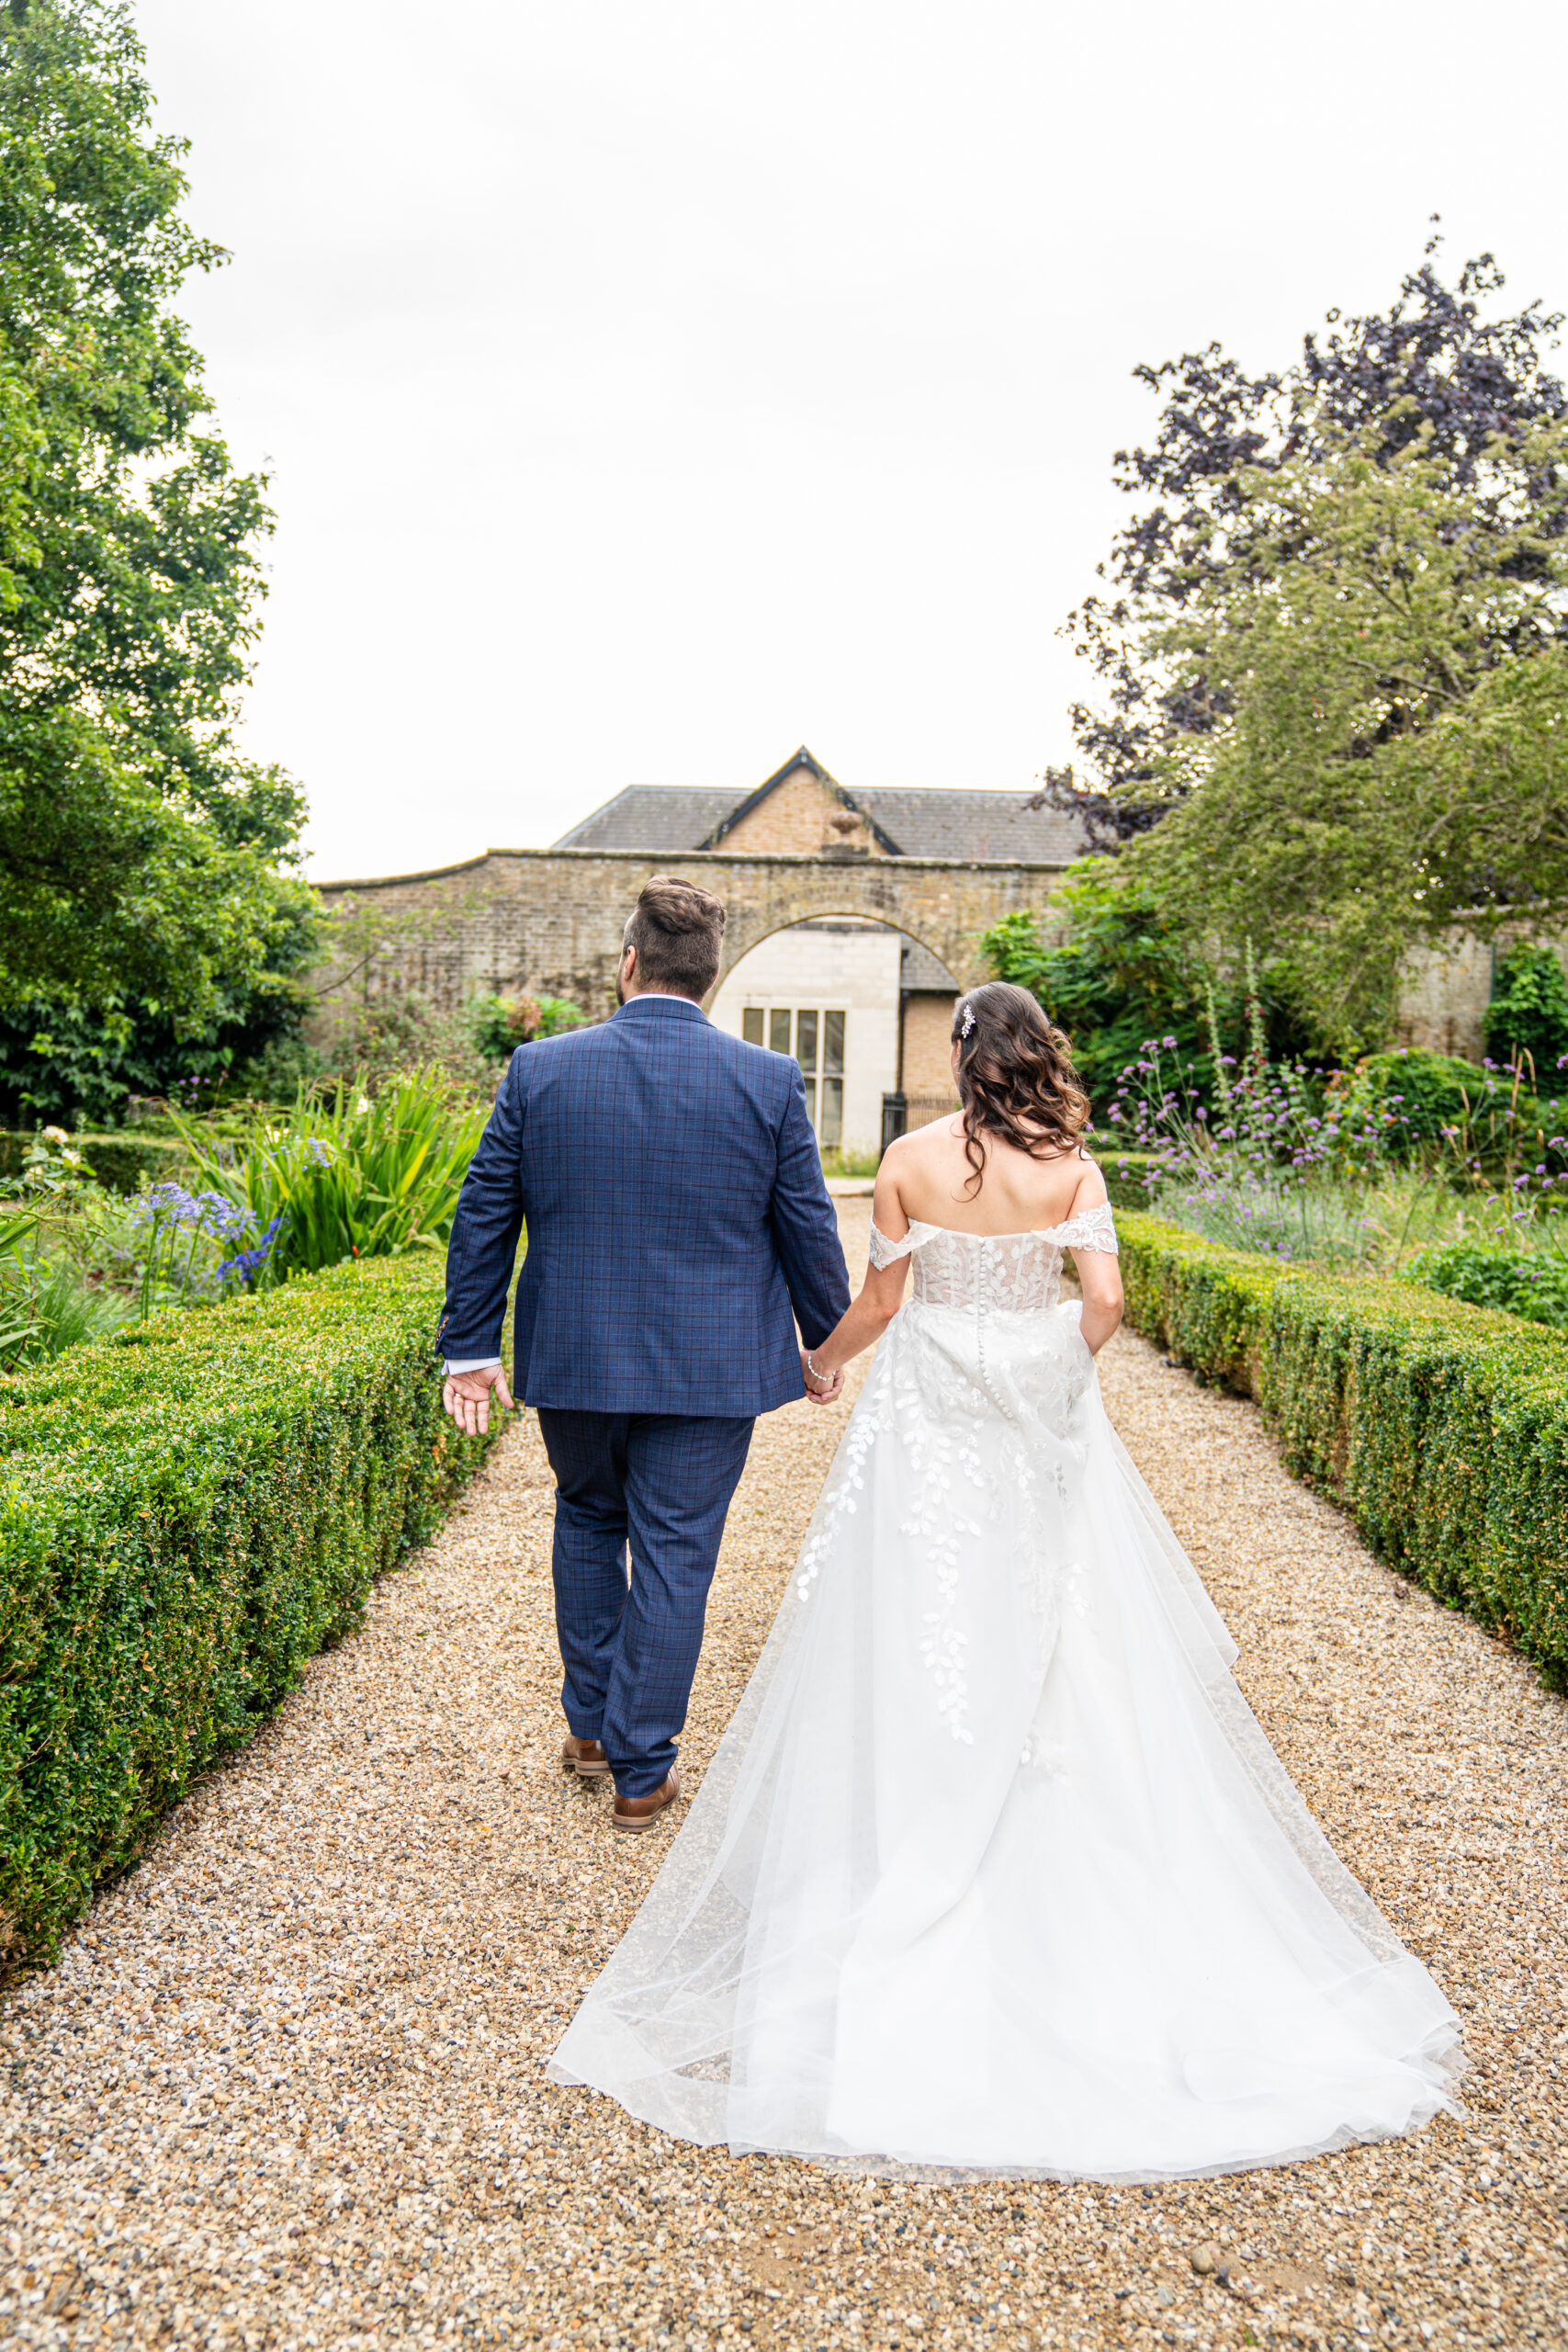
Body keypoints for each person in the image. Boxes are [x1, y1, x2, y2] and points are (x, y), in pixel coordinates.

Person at [547, 981, 1463, 2179]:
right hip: (1029, 1435)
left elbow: (879, 1299)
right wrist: (1045, 1386)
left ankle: (909, 1808)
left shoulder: (910, 1161)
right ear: (1037, 1059)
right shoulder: (1073, 1171)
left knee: (916, 1613)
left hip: (925, 1421)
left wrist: (819, 1363)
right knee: (1055, 1622)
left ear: (959, 1056)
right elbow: (1105, 1305)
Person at [438, 875, 851, 1831]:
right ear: (708, 978)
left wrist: (470, 1348)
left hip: (576, 1358)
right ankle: (640, 1769)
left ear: (628, 965)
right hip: (712, 1372)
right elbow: (808, 1232)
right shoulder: (769, 1078)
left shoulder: (540, 1069)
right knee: (676, 1551)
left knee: (587, 1516)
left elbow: (483, 1215)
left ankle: (590, 1729)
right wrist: (823, 1346)